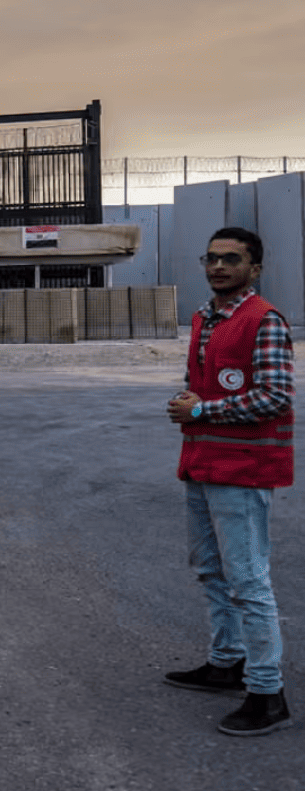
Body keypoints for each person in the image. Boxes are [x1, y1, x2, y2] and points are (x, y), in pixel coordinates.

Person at [163, 226, 293, 736]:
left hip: (242, 470)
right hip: (202, 462)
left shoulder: (265, 321)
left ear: (254, 269)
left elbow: (276, 397)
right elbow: (204, 386)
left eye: (231, 259)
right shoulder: (205, 319)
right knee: (210, 571)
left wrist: (204, 409)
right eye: (212, 258)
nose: (218, 266)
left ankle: (267, 692)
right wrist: (186, 403)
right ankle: (226, 661)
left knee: (248, 582)